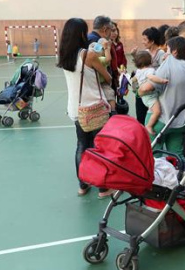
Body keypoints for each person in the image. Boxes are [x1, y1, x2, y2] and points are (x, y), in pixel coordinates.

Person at [57, 18, 115, 199]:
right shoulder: (87, 55)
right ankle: (103, 189)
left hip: (76, 108)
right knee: (100, 148)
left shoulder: (64, 55)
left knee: (81, 145)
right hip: (94, 107)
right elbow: (107, 77)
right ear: (82, 34)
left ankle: (82, 185)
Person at [139, 36, 185, 155]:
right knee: (176, 154)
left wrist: (140, 91)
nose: (165, 52)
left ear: (174, 52)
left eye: (167, 49)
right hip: (181, 120)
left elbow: (148, 87)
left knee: (153, 154)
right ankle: (179, 172)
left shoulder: (169, 62)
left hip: (161, 119)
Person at [132, 27, 166, 125]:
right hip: (142, 90)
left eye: (145, 39)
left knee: (154, 114)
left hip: (153, 91)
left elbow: (161, 72)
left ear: (152, 41)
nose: (143, 42)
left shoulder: (161, 54)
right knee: (140, 115)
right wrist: (135, 56)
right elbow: (140, 67)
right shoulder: (145, 53)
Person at [132, 50, 168, 135]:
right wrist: (161, 80)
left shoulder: (138, 71)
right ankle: (149, 125)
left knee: (152, 110)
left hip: (145, 97)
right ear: (150, 61)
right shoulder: (149, 70)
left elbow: (135, 79)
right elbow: (151, 77)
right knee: (157, 111)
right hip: (150, 96)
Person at [87, 15, 119, 113]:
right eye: (111, 30)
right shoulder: (97, 42)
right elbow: (100, 63)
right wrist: (108, 77)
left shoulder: (91, 38)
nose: (112, 33)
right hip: (99, 85)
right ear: (105, 29)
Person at [88, 38, 116, 111]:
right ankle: (112, 110)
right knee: (109, 95)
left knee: (109, 94)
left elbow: (107, 59)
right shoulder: (98, 59)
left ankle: (112, 110)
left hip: (98, 84)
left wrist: (107, 48)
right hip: (97, 84)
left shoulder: (99, 59)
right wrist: (107, 48)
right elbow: (108, 59)